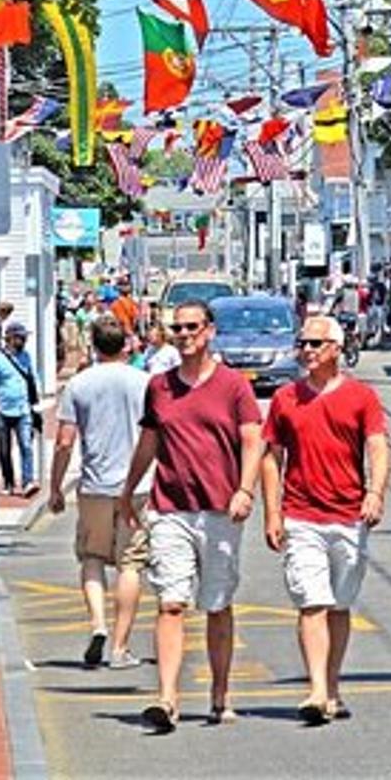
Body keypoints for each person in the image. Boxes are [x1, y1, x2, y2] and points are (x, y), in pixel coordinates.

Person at [121, 299, 264, 732]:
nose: (184, 336)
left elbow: (252, 440)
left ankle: (220, 697)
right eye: (177, 329)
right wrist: (129, 490)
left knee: (217, 604)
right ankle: (167, 699)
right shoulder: (159, 387)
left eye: (192, 328)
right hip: (170, 509)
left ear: (210, 331)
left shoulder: (234, 385)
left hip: (220, 509)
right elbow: (149, 442)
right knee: (171, 602)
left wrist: (245, 489)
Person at [260, 315, 390, 725]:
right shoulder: (285, 399)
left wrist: (374, 492)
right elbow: (271, 457)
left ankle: (332, 687)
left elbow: (378, 447)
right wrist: (272, 510)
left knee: (338, 605)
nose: (308, 351)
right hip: (301, 515)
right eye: (303, 343)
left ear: (336, 348)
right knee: (311, 602)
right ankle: (316, 689)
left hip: (348, 515)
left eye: (316, 343)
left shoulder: (361, 397)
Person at [49, 318, 152, 670]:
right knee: (130, 563)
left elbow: (64, 442)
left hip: (94, 484)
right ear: (126, 345)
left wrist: (55, 488)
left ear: (93, 345)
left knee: (91, 557)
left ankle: (98, 625)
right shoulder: (145, 383)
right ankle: (121, 648)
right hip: (137, 485)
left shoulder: (78, 384)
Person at [0, 322, 41, 496]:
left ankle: (28, 481)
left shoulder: (26, 356)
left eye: (24, 337)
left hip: (23, 409)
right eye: (20, 337)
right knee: (4, 450)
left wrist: (35, 399)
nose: (23, 340)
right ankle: (8, 482)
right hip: (3, 411)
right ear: (10, 338)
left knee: (26, 446)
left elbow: (32, 377)